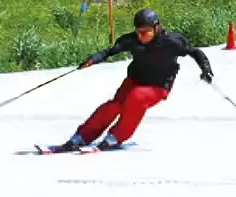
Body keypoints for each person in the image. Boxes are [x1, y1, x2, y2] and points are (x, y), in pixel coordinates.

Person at [47, 8, 213, 152]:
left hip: (158, 86)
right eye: (138, 32)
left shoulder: (172, 41)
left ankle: (116, 136)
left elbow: (195, 52)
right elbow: (109, 51)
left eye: (146, 32)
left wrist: (205, 68)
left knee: (136, 97)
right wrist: (93, 59)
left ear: (156, 28)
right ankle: (82, 136)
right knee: (114, 106)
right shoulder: (132, 39)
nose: (141, 36)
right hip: (135, 79)